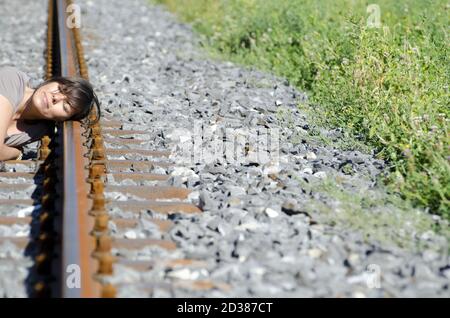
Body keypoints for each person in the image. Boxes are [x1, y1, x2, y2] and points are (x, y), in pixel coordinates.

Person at [0, 66, 100, 161]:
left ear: (62, 119)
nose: (56, 97)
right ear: (53, 81)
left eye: (65, 106)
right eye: (61, 89)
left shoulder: (39, 130)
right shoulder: (11, 80)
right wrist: (17, 153)